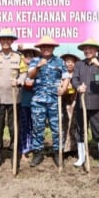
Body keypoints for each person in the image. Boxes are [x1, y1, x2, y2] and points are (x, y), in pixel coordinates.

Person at [0, 28, 26, 171]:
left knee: (14, 128)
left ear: (12, 41)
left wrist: (20, 81)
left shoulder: (18, 57)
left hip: (15, 99)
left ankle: (15, 154)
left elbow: (24, 72)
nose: (5, 42)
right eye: (2, 39)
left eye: (8, 39)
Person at [72, 38, 99, 170]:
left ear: (96, 50)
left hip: (98, 105)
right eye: (85, 49)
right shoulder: (79, 64)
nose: (87, 51)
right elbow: (74, 79)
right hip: (81, 104)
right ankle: (81, 157)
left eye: (90, 48)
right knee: (81, 131)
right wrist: (78, 87)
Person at [28, 36, 68, 167]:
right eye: (43, 46)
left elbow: (66, 77)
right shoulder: (35, 61)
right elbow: (30, 76)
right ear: (39, 48)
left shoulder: (60, 61)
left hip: (54, 100)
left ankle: (57, 152)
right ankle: (38, 153)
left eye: (49, 46)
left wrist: (64, 88)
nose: (46, 49)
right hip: (38, 100)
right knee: (37, 128)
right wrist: (38, 67)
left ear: (53, 48)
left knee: (57, 128)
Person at [18, 46, 40, 161]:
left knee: (34, 127)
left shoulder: (37, 69)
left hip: (35, 103)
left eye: (31, 55)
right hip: (22, 103)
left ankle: (31, 148)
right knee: (24, 127)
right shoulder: (19, 69)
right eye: (26, 55)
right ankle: (23, 152)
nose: (28, 58)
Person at [60, 52, 80, 157]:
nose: (70, 64)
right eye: (68, 61)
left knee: (74, 124)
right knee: (64, 124)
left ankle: (74, 148)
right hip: (63, 102)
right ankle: (64, 148)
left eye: (72, 62)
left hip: (75, 102)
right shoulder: (61, 75)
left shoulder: (78, 74)